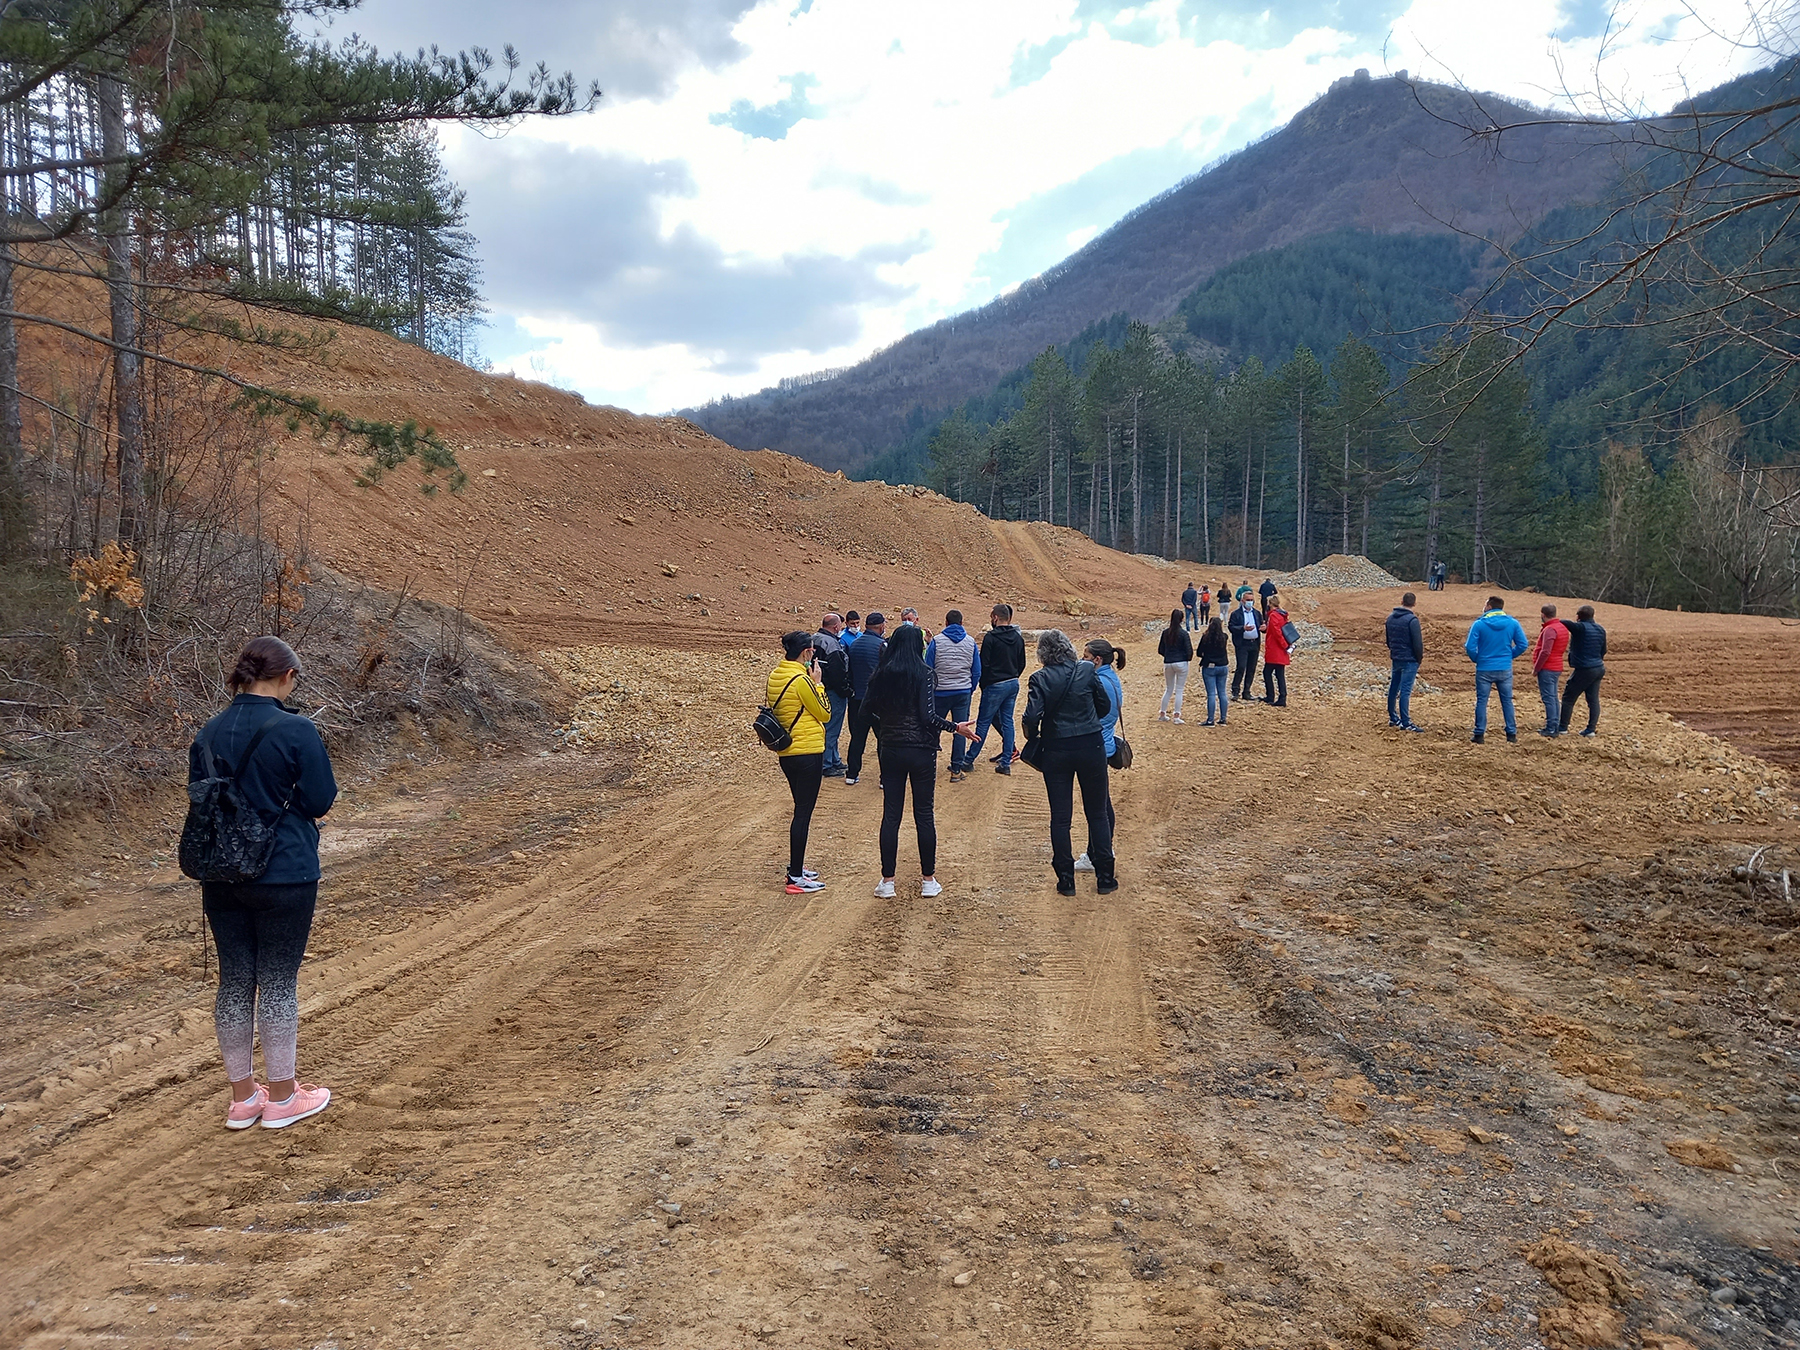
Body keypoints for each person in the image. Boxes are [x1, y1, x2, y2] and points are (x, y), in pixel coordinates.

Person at [189, 636, 338, 1130]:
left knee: (235, 980)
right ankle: (281, 1099)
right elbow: (319, 800)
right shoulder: (296, 729)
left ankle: (242, 1099)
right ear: (287, 677)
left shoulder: (208, 732)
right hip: (285, 871)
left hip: (221, 872)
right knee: (277, 979)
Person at [864, 626, 975, 898]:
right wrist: (954, 727)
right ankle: (928, 880)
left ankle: (887, 881)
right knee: (924, 814)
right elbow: (927, 718)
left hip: (890, 748)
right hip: (921, 750)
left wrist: (887, 726)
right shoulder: (924, 673)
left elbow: (867, 710)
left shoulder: (882, 674)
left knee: (891, 814)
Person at [1023, 630, 1115, 896]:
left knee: (1060, 817)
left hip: (1056, 749)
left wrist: (1035, 737)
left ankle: (1065, 880)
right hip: (1091, 745)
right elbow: (1104, 706)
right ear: (1068, 648)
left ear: (1042, 653)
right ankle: (1105, 877)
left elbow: (1030, 718)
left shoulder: (1039, 678)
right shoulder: (1086, 670)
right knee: (1097, 812)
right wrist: (1088, 722)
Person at [768, 632, 831, 891]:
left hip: (787, 752)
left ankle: (797, 866)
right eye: (812, 652)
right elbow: (824, 713)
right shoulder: (801, 680)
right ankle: (795, 876)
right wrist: (817, 683)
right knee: (803, 814)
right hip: (807, 751)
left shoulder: (776, 675)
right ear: (806, 652)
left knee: (799, 809)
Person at [1075, 639, 1125, 874]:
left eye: (1085, 656)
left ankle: (1096, 854)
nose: (1082, 659)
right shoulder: (1111, 679)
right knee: (1102, 804)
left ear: (1097, 659)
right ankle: (1102, 849)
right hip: (1105, 746)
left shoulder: (1099, 682)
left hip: (1096, 748)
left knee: (1098, 808)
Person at [970, 602, 1026, 775]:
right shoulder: (1018, 637)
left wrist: (984, 683)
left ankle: (968, 759)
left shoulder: (991, 638)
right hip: (1012, 683)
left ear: (995, 617)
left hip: (994, 684)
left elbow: (983, 664)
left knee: (983, 722)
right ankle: (1006, 762)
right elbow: (1022, 662)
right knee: (1007, 721)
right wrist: (1014, 675)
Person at [1463, 595, 1528, 744]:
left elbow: (1470, 646)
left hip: (1484, 668)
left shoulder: (1479, 624)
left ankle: (1479, 733)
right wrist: (1509, 655)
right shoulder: (1513, 623)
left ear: (1489, 607)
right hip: (1504, 668)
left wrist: (1477, 658)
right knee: (1507, 701)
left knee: (1482, 701)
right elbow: (1523, 644)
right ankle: (1511, 733)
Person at [926, 610, 981, 781]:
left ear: (946, 622)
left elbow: (928, 668)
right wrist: (969, 689)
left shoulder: (937, 641)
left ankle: (928, 766)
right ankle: (956, 769)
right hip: (962, 692)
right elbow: (976, 671)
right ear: (962, 622)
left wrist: (931, 689)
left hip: (940, 692)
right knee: (961, 730)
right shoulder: (971, 642)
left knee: (933, 728)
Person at [844, 612, 888, 785]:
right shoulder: (882, 645)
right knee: (883, 739)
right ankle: (885, 777)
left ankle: (852, 773)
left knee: (857, 738)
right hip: (876, 701)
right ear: (881, 626)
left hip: (857, 700)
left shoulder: (854, 644)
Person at [1557, 604, 1607, 736]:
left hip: (1584, 669)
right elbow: (1604, 650)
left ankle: (1562, 727)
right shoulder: (1600, 629)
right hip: (1599, 667)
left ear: (1578, 617)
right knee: (1593, 699)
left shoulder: (1580, 627)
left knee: (1568, 697)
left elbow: (1565, 623)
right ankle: (1591, 729)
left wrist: (1553, 620)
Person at [813, 613, 852, 777]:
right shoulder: (832, 644)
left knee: (828, 727)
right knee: (832, 728)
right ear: (836, 627)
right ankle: (827, 764)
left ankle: (834, 759)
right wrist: (846, 690)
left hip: (818, 689)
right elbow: (837, 672)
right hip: (833, 693)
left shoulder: (814, 638)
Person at [1384, 592, 1425, 731]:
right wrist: (1418, 658)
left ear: (1401, 601)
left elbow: (1388, 641)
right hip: (1409, 660)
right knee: (1405, 692)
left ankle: (1393, 717)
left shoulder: (1390, 618)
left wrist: (1395, 652)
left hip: (1396, 657)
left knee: (1393, 688)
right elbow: (1417, 644)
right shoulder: (1412, 620)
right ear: (1414, 603)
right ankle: (1406, 722)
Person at [1532, 603, 1570, 738]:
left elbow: (1545, 651)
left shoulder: (1550, 629)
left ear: (1543, 614)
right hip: (1556, 665)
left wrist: (1537, 667)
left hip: (1548, 667)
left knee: (1549, 698)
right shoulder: (1562, 628)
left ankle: (1551, 728)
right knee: (1553, 697)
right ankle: (1555, 725)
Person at [1156, 609, 1193, 723]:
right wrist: (1186, 658)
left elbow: (1160, 649)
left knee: (1169, 689)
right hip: (1181, 662)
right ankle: (1176, 716)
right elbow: (1189, 650)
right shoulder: (1183, 634)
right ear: (1181, 619)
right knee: (1179, 690)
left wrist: (1168, 656)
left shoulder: (1166, 632)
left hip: (1168, 662)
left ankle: (1163, 713)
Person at [1228, 593, 1262, 700]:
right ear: (1242, 600)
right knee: (1241, 667)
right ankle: (1235, 690)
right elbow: (1231, 627)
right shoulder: (1236, 614)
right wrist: (1242, 628)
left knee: (1251, 669)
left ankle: (1246, 691)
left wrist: (1264, 628)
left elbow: (1261, 625)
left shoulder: (1257, 613)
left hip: (1254, 644)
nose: (1250, 602)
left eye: (1251, 599)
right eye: (1248, 599)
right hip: (1242, 644)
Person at [1197, 616, 1230, 725]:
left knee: (1211, 694)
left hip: (1210, 667)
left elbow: (1199, 652)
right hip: (1223, 666)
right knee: (1222, 693)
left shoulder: (1206, 637)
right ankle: (1223, 718)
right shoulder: (1224, 637)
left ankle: (1210, 719)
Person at [1262, 597, 1291, 706]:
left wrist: (1284, 645)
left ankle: (1271, 696)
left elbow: (1276, 633)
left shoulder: (1273, 615)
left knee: (1267, 672)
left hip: (1275, 649)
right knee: (1280, 674)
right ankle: (1282, 697)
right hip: (1280, 650)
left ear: (1270, 604)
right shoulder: (1282, 615)